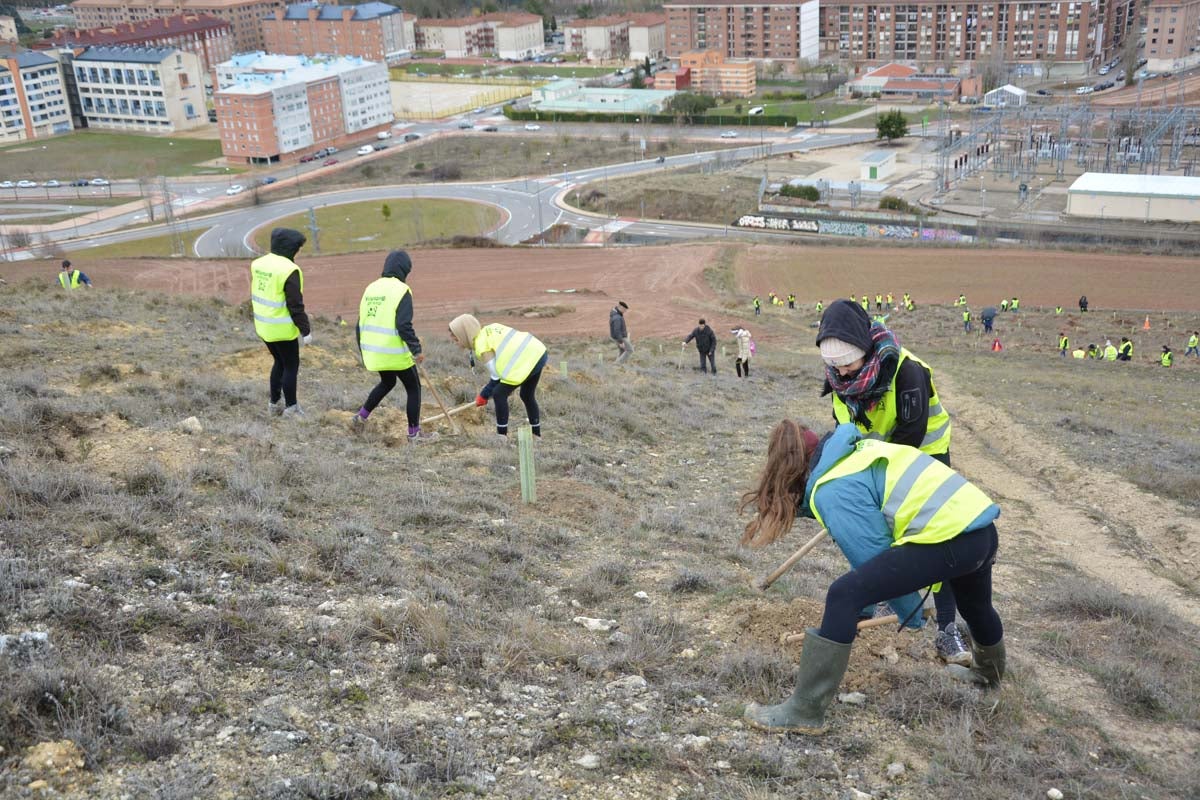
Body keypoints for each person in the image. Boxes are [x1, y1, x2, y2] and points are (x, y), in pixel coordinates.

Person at [739, 420, 1005, 734]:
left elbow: (874, 554)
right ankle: (989, 674)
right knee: (975, 606)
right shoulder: (855, 453)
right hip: (979, 529)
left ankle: (805, 711)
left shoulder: (833, 488)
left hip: (949, 538)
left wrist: (911, 613)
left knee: (844, 594)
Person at [813, 300, 969, 666]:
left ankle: (947, 628)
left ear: (865, 351)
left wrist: (873, 478)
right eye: (834, 367)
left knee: (936, 537)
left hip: (924, 458)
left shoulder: (906, 372)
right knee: (878, 531)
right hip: (879, 462)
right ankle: (883, 592)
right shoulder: (840, 379)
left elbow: (911, 436)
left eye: (847, 364)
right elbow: (845, 430)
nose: (843, 374)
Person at [351, 250, 432, 442]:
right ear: (405, 270)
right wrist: (416, 349)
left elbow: (359, 323)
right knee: (414, 388)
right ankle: (414, 433)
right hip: (394, 353)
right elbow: (403, 325)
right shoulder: (402, 290)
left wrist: (363, 351)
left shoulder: (370, 288)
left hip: (373, 351)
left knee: (388, 382)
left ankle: (361, 417)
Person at [449, 314, 547, 438]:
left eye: (456, 340)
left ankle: (501, 437)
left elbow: (496, 377)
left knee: (499, 393)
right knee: (526, 395)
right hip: (538, 352)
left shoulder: (481, 347)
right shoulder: (490, 329)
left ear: (465, 335)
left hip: (525, 360)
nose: (456, 344)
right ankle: (536, 435)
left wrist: (483, 395)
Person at [250, 228, 310, 418]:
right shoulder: (289, 270)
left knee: (279, 362)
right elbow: (295, 305)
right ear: (291, 248)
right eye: (298, 248)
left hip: (263, 325)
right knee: (291, 366)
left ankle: (274, 403)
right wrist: (305, 330)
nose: (299, 252)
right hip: (281, 328)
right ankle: (291, 408)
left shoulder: (259, 263)